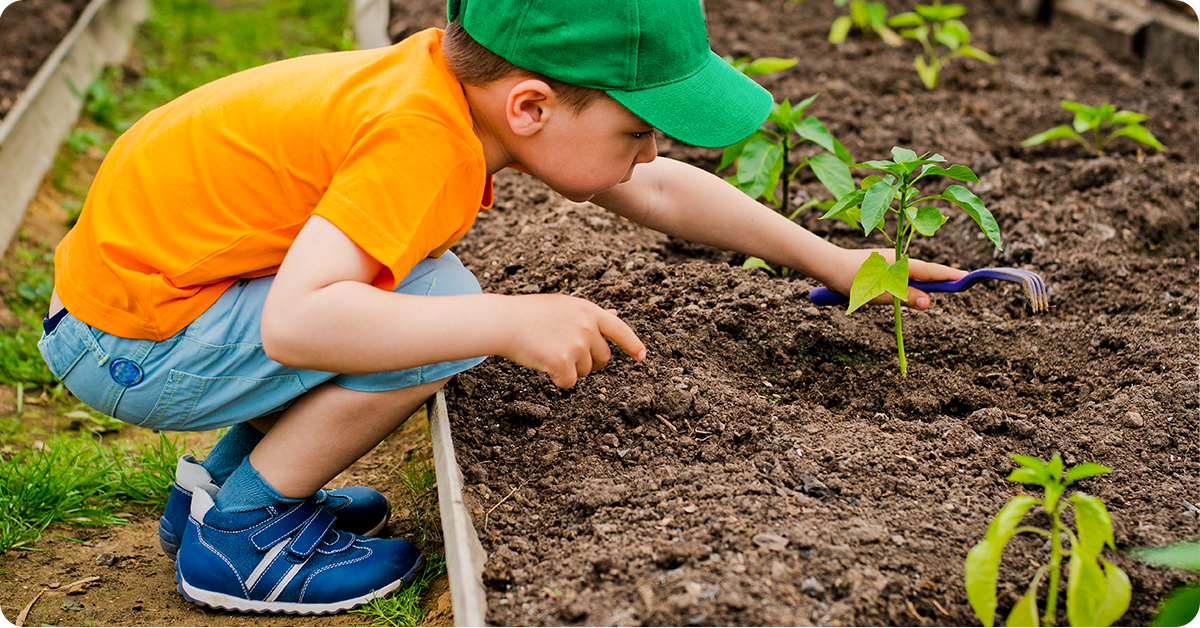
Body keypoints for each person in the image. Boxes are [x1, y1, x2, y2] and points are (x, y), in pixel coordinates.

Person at [38, 0, 966, 615]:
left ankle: (217, 497)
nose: (647, 155)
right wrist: (508, 321)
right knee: (443, 303)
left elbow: (659, 193)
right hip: (133, 342)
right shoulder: (419, 142)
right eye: (636, 130)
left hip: (140, 306)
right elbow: (296, 324)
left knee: (419, 292)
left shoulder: (448, 98)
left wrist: (832, 257)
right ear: (529, 106)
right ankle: (242, 538)